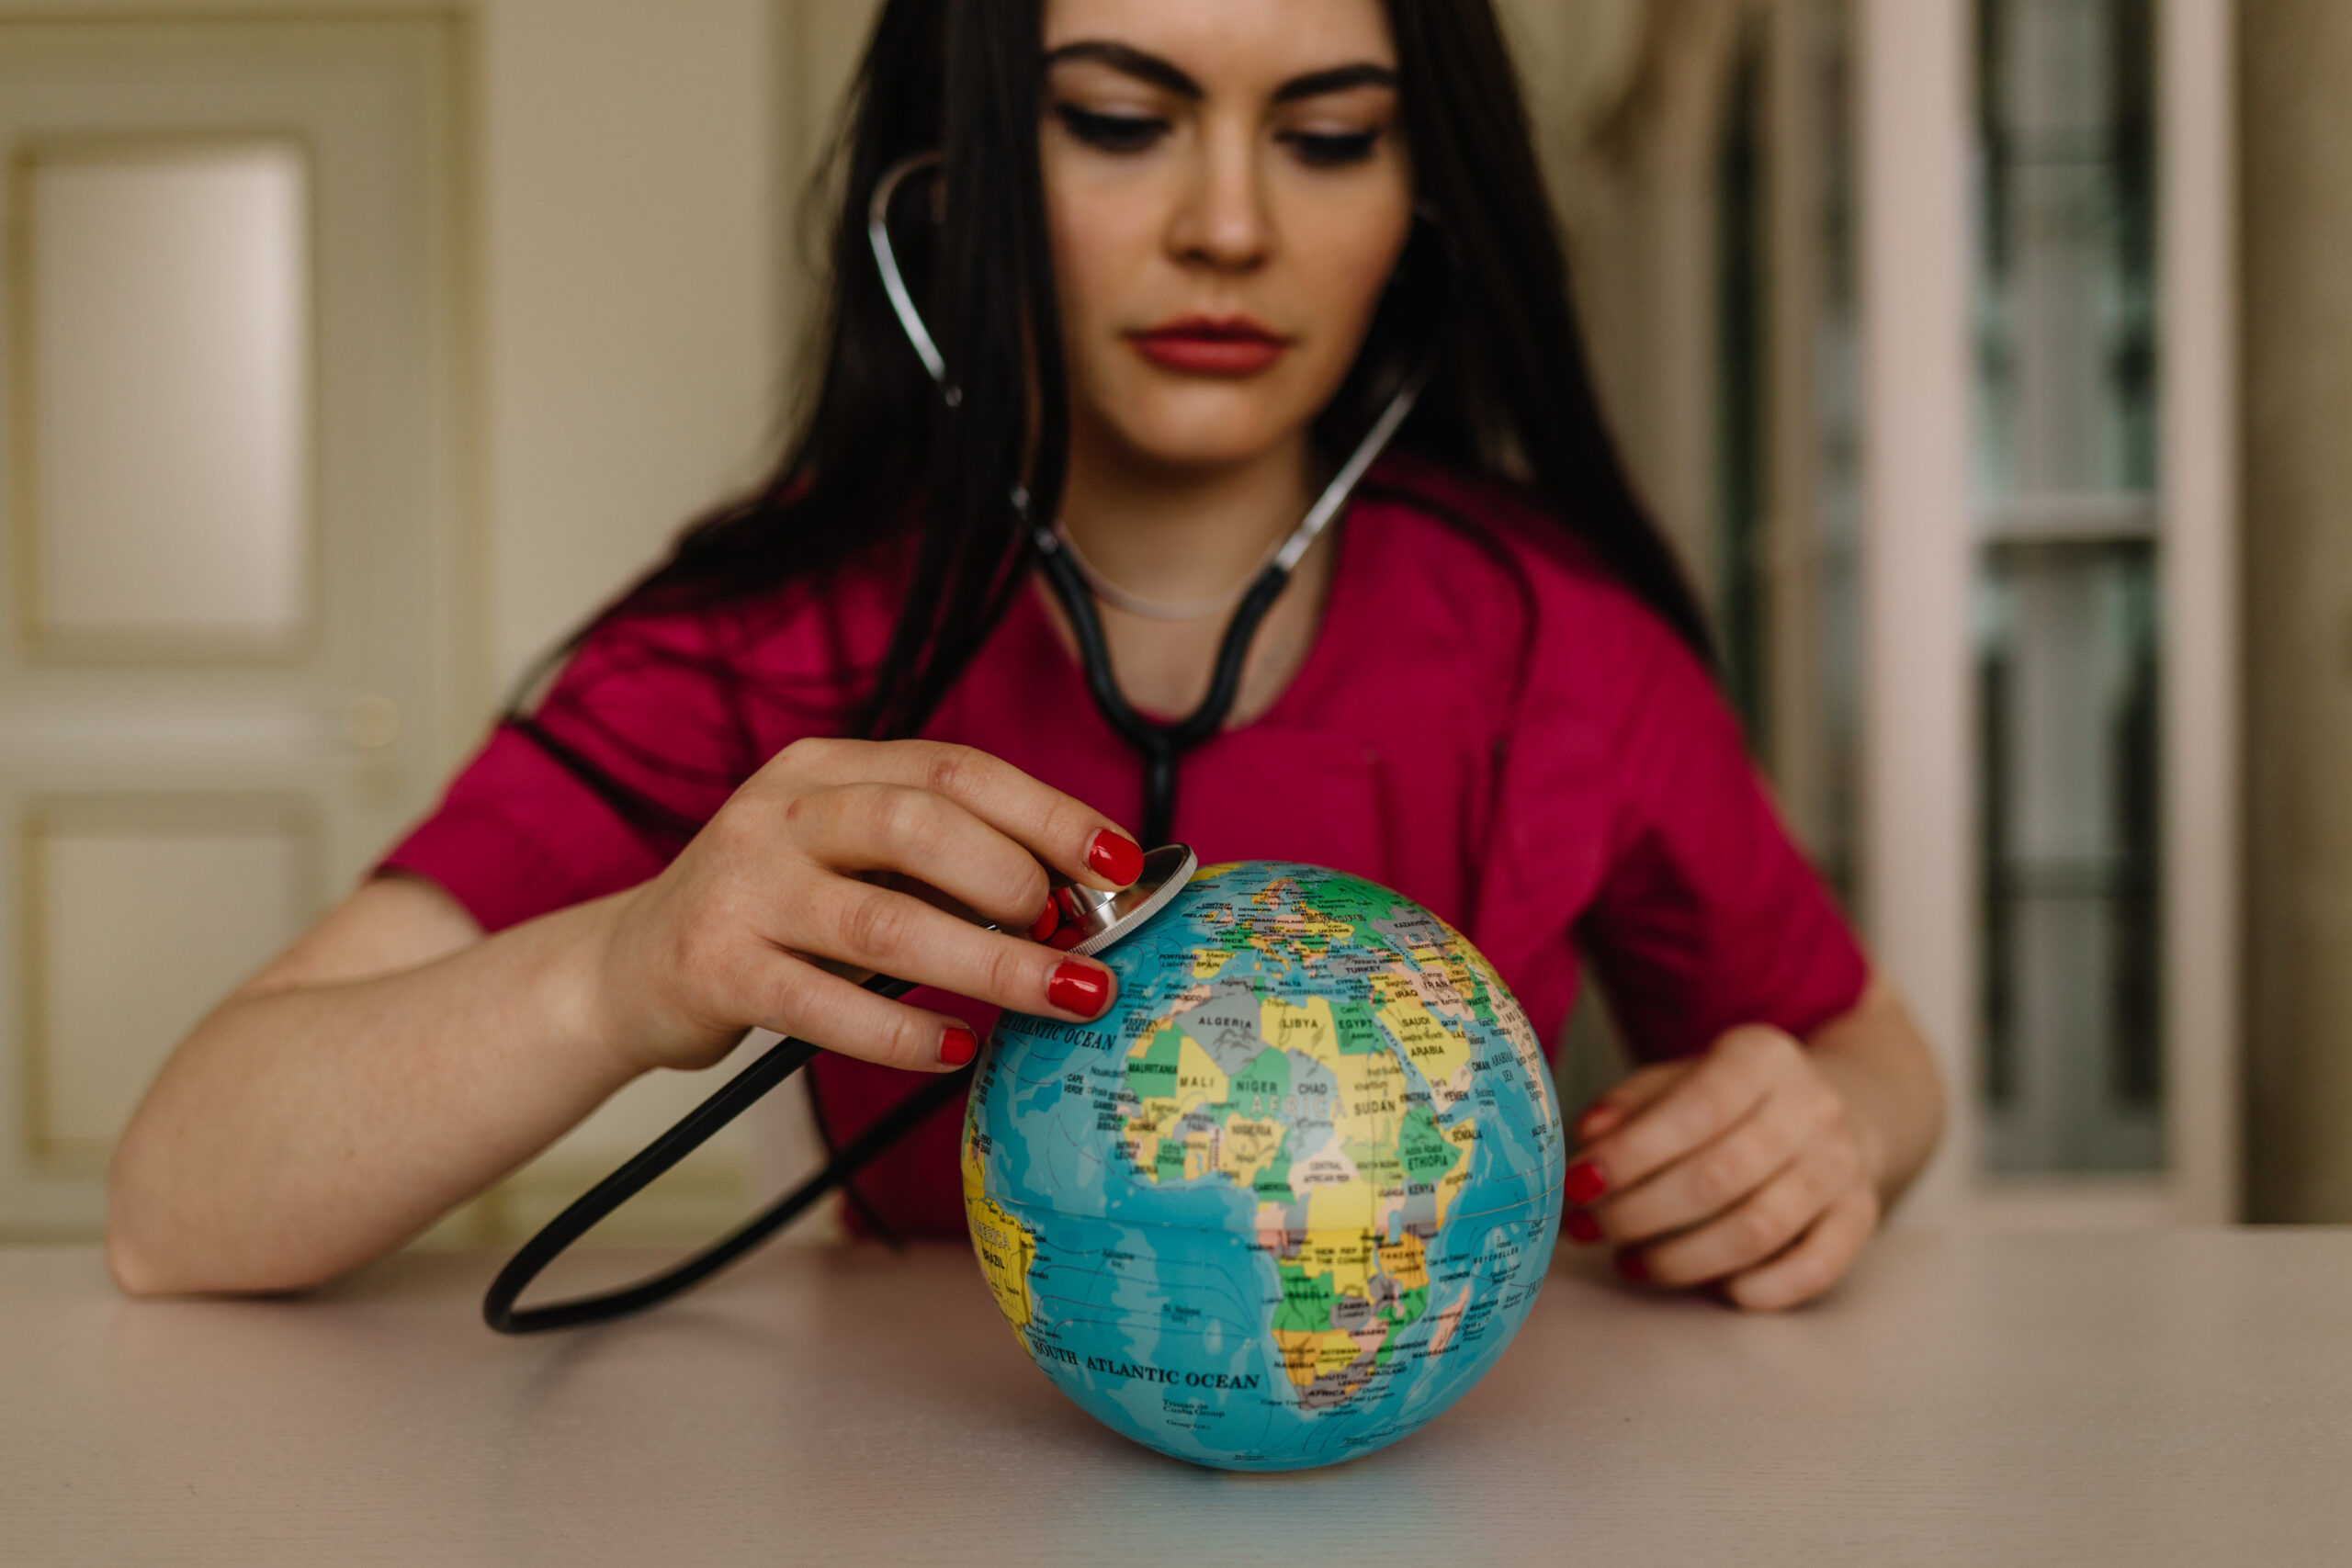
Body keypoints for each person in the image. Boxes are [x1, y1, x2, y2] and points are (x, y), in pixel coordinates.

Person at [107, 0, 1943, 1312]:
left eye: (1325, 135)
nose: (1228, 222)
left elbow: (1866, 1044)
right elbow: (179, 1196)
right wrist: (622, 970)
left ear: (1415, 208)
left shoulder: (1562, 642)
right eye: (1120, 118)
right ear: (962, 170)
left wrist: (1826, 1128)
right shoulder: (775, 630)